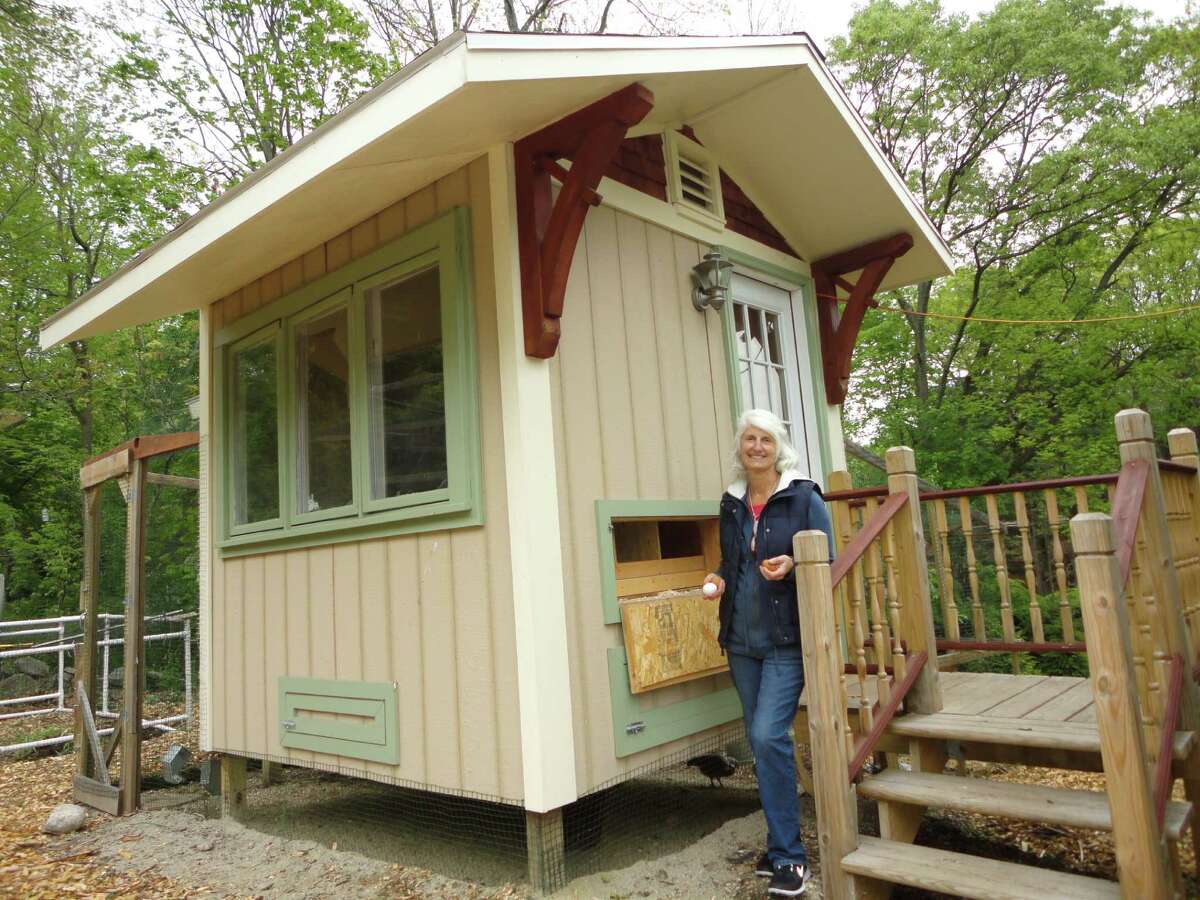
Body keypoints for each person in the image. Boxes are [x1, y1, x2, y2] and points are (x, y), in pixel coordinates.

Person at [703, 408, 833, 898]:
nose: (756, 447)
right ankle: (779, 843)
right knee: (762, 745)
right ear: (740, 447)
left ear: (779, 447)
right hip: (740, 642)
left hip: (785, 641)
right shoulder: (732, 501)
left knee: (766, 735)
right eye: (749, 439)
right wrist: (718, 577)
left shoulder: (802, 496)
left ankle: (790, 858)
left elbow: (830, 555)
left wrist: (796, 561)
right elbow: (731, 560)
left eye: (765, 439)